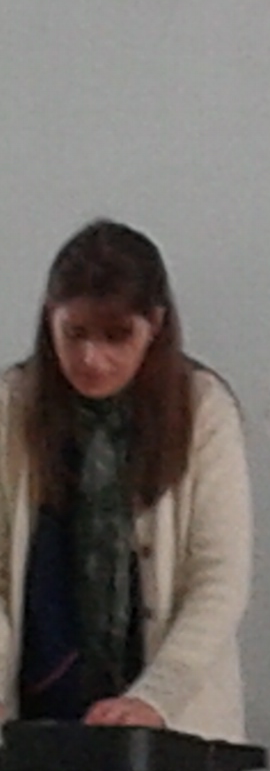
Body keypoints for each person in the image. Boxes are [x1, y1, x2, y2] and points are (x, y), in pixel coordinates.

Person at [1, 221, 251, 737]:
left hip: (173, 726)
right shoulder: (12, 407)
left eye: (117, 337)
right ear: (49, 317)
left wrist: (154, 697)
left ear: (154, 324)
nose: (92, 359)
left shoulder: (203, 409)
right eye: (75, 334)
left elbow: (219, 579)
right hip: (32, 722)